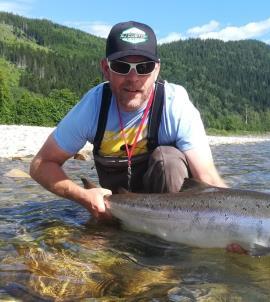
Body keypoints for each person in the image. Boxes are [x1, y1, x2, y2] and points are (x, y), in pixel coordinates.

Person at [29, 20, 226, 220]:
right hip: (116, 211)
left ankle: (171, 248)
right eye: (122, 67)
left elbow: (207, 178)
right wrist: (83, 196)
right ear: (106, 69)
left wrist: (230, 226)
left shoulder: (175, 105)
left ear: (156, 69)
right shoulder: (94, 106)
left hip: (173, 218)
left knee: (169, 160)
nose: (133, 78)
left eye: (144, 67)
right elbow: (41, 164)